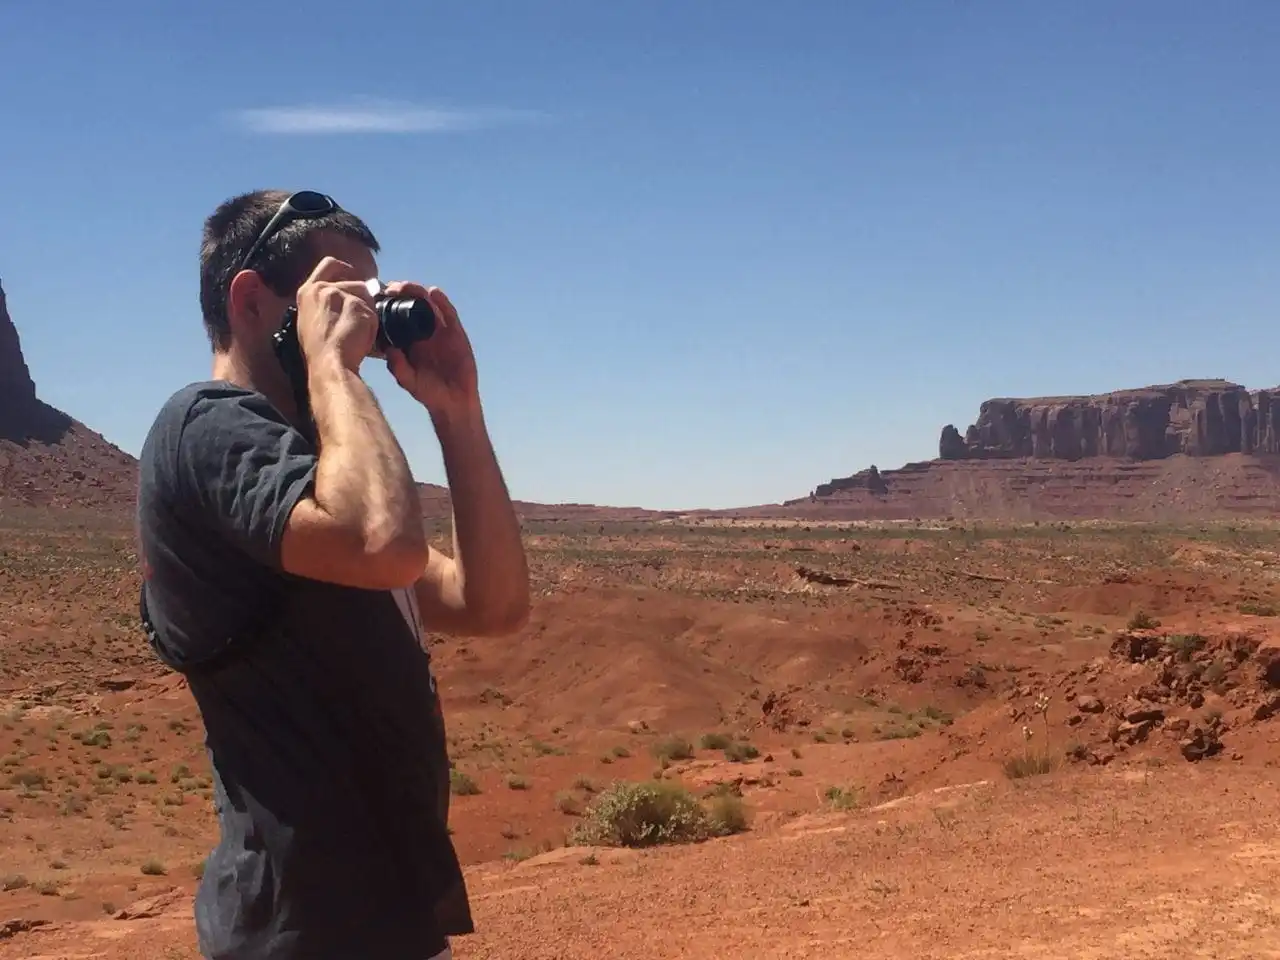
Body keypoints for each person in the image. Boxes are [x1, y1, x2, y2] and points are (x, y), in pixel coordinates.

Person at [135, 189, 531, 960]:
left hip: (386, 921)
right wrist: (334, 369)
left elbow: (492, 603)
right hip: (301, 933)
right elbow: (380, 540)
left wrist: (457, 410)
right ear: (252, 301)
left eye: (367, 304)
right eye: (336, 297)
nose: (360, 323)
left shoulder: (322, 484)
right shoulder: (204, 425)